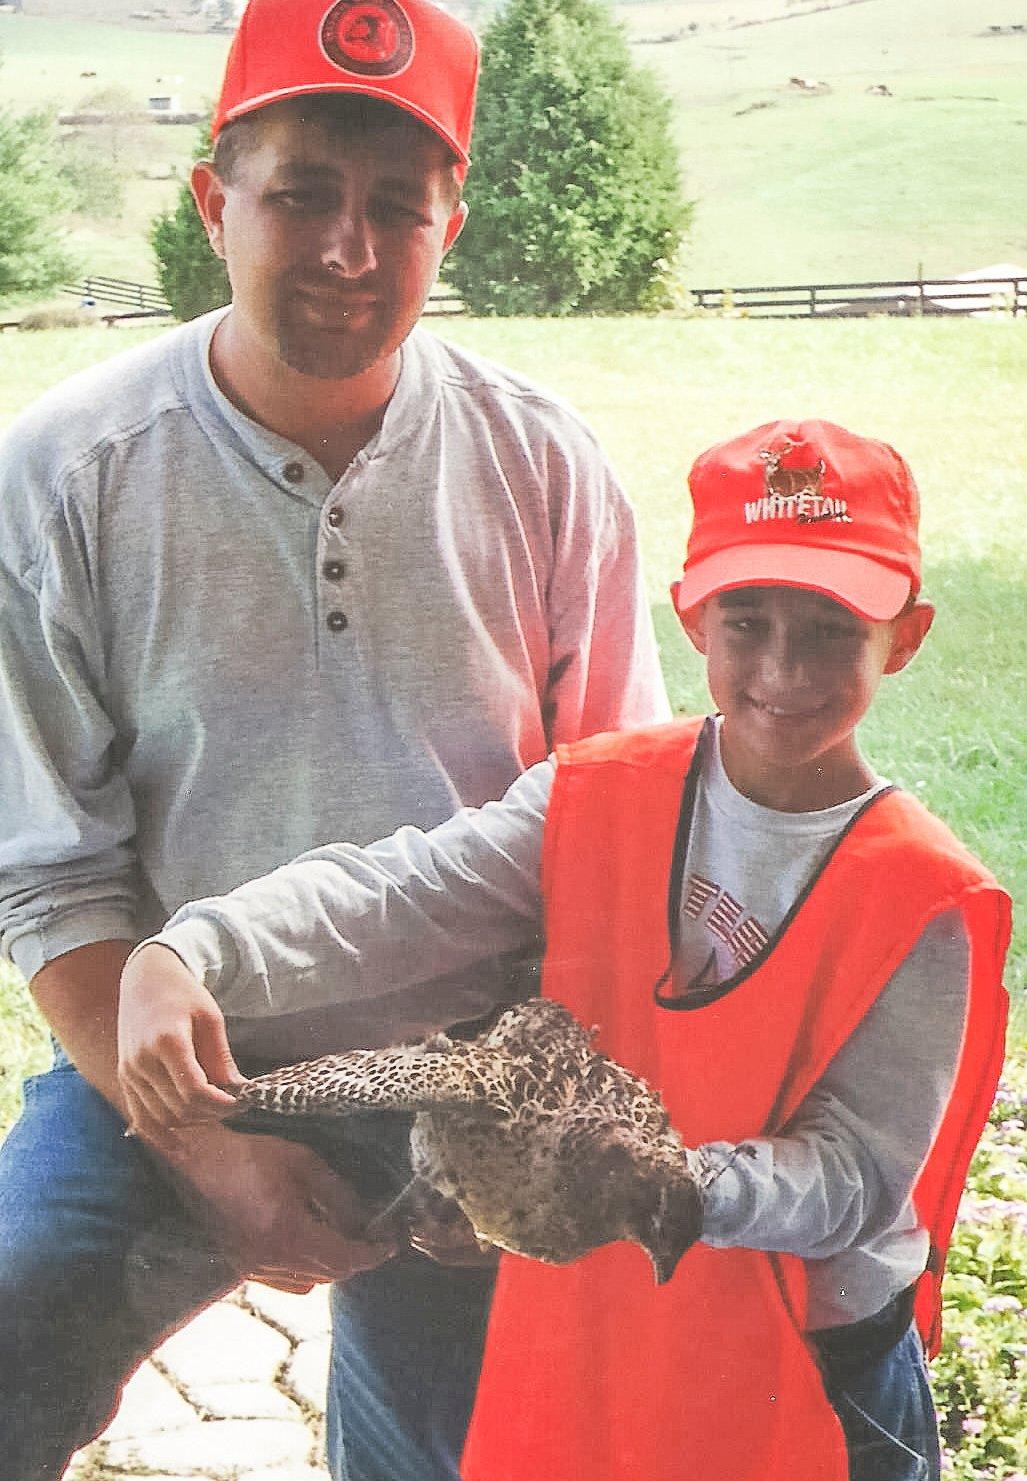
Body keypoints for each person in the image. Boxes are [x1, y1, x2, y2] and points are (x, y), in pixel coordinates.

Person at [0, 0, 671, 1476]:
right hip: (178, 1060)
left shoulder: (542, 463)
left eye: (395, 206)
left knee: (486, 1449)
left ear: (455, 218)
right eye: (301, 192)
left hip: (478, 1073)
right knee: (12, 1320)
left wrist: (536, 1128)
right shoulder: (64, 477)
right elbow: (53, 881)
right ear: (212, 198)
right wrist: (213, 1157)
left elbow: (624, 818)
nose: (346, 250)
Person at [118, 418, 1010, 1481]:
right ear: (690, 619)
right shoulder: (596, 794)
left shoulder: (922, 895)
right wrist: (192, 951)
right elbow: (405, 892)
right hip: (611, 1319)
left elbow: (855, 1177)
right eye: (747, 621)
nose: (781, 666)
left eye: (828, 629)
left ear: (902, 638)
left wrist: (645, 1184)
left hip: (816, 1361)